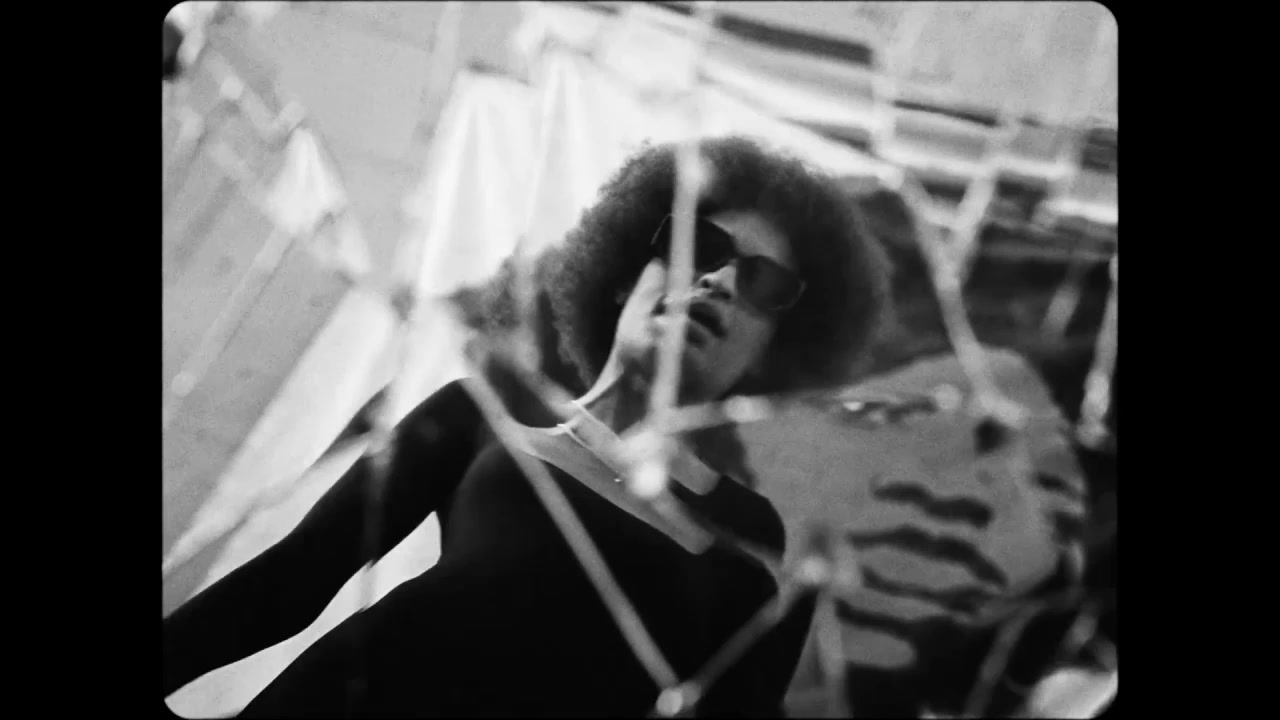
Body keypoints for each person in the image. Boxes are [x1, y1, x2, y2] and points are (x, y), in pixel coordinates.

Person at [162, 136, 892, 717]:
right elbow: (287, 583)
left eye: (765, 284)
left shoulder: (749, 538)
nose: (721, 281)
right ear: (623, 278)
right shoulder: (478, 415)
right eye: (697, 246)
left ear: (770, 352)